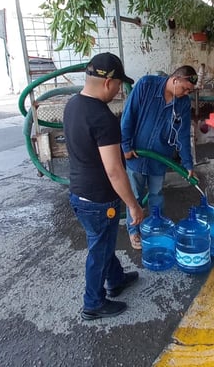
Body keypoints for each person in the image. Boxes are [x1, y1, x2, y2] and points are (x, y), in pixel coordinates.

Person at [63, 52, 144, 321]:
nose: (119, 91)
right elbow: (114, 169)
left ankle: (116, 279)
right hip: (99, 200)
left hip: (79, 194)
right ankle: (93, 303)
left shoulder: (73, 105)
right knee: (100, 249)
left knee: (104, 243)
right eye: (120, 85)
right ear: (109, 83)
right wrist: (133, 205)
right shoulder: (103, 118)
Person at [121, 66, 198, 249]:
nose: (186, 93)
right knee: (135, 196)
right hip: (136, 155)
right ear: (175, 79)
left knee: (156, 195)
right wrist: (125, 145)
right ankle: (134, 231)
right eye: (185, 88)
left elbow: (183, 135)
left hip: (160, 158)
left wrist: (187, 163)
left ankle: (157, 227)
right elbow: (128, 116)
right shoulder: (146, 85)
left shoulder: (183, 103)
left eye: (189, 91)